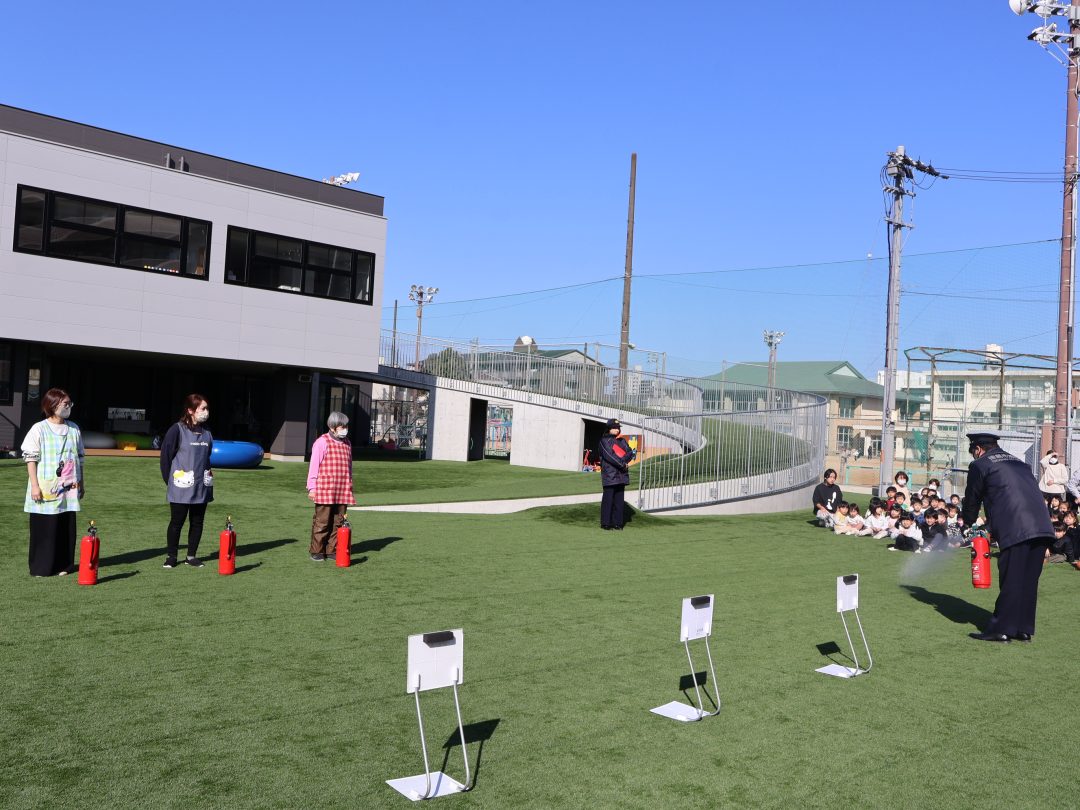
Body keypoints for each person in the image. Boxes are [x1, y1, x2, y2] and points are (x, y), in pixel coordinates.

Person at [962, 431, 1055, 643]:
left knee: (1011, 579)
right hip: (1042, 526)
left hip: (1016, 527)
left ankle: (1001, 629)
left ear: (978, 449)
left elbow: (972, 497)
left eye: (973, 452)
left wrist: (967, 522)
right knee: (1028, 581)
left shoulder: (980, 464)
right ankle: (1023, 629)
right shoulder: (1019, 462)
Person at [21, 388, 85, 577]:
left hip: (69, 487)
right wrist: (34, 485)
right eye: (66, 404)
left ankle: (64, 565)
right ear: (53, 405)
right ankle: (41, 567)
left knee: (65, 526)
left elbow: (80, 458)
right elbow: (30, 458)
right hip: (45, 487)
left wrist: (82, 483)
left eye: (70, 403)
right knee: (44, 527)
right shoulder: (39, 428)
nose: (69, 407)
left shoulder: (74, 428)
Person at [159, 393, 214, 569]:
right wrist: (170, 481)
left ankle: (191, 556)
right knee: (177, 522)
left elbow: (207, 456)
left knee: (197, 522)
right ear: (190, 410)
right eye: (203, 408)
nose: (206, 412)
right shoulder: (177, 430)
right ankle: (171, 556)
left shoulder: (207, 433)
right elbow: (165, 457)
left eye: (207, 408)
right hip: (180, 486)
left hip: (201, 486)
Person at [306, 411, 356, 561]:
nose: (345, 429)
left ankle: (332, 549)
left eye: (346, 426)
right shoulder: (322, 442)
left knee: (338, 521)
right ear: (333, 427)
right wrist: (312, 488)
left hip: (342, 489)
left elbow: (349, 467)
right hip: (325, 489)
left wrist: (350, 484)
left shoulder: (347, 443)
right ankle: (317, 550)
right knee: (322, 521)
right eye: (342, 426)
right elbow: (314, 466)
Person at [598, 418, 635, 530]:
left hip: (621, 475)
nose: (617, 429)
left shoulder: (622, 440)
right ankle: (606, 523)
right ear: (609, 428)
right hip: (610, 475)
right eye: (614, 427)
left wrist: (623, 462)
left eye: (618, 428)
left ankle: (618, 524)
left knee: (619, 501)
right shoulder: (604, 441)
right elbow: (609, 456)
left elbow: (630, 453)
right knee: (608, 500)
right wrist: (623, 464)